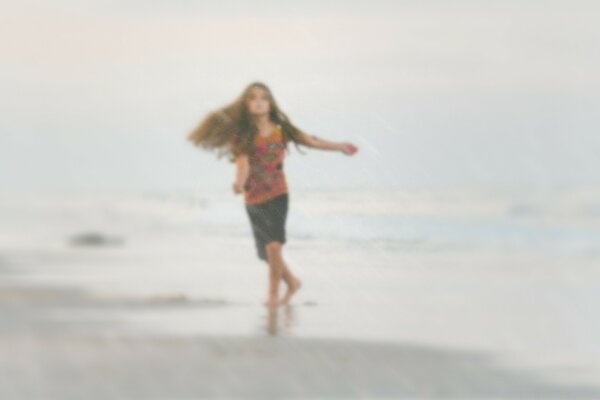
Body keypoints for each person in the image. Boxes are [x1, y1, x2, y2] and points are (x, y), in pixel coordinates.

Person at [187, 81, 358, 306]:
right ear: (246, 104)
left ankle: (272, 295)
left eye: (263, 98)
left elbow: (310, 140)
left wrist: (339, 146)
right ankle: (293, 283)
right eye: (253, 98)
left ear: (270, 104)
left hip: (278, 193)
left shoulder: (282, 129)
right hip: (253, 197)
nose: (259, 102)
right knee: (266, 253)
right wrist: (239, 182)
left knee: (274, 245)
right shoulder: (242, 135)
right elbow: (243, 163)